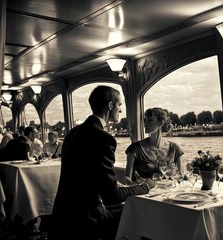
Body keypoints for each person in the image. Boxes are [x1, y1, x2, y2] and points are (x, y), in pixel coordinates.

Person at [49, 86, 155, 240]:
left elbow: (87, 175)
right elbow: (111, 196)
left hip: (62, 216)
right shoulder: (103, 138)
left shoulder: (72, 133)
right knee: (142, 216)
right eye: (119, 105)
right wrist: (146, 186)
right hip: (86, 221)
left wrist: (116, 184)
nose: (121, 111)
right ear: (110, 105)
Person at [124, 107, 184, 184]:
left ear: (160, 123)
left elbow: (179, 176)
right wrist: (135, 185)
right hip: (144, 193)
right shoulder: (135, 148)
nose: (145, 123)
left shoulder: (175, 148)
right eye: (145, 120)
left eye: (150, 120)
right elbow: (127, 178)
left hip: (169, 192)